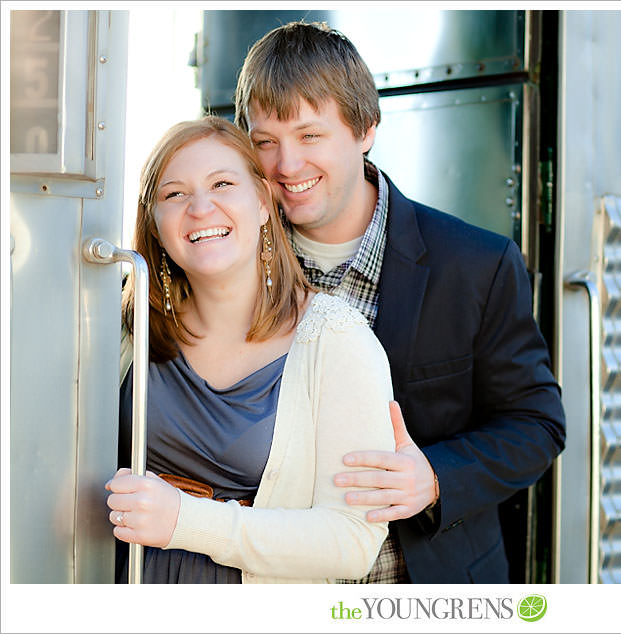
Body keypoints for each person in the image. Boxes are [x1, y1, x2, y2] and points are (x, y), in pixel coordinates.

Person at [233, 21, 566, 583]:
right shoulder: (230, 260)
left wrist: (434, 476)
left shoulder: (477, 265)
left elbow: (536, 424)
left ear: (365, 129)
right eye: (265, 142)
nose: (286, 166)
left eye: (310, 136)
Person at [107, 116, 396, 583]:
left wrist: (184, 521)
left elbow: (352, 542)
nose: (201, 207)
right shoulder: (126, 328)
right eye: (174, 193)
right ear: (154, 223)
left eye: (222, 183)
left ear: (263, 201)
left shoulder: (337, 340)